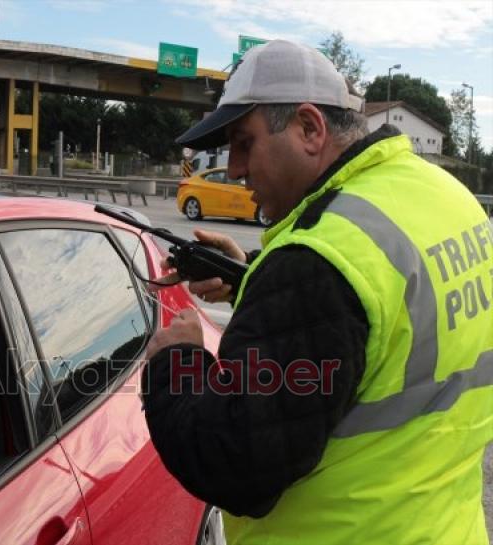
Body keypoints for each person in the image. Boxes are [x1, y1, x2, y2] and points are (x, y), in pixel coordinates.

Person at [141, 40, 493, 544]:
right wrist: (254, 279)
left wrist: (176, 362)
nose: (235, 169)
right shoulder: (442, 194)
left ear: (309, 128)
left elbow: (231, 463)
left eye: (244, 143)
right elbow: (387, 322)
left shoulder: (316, 264)